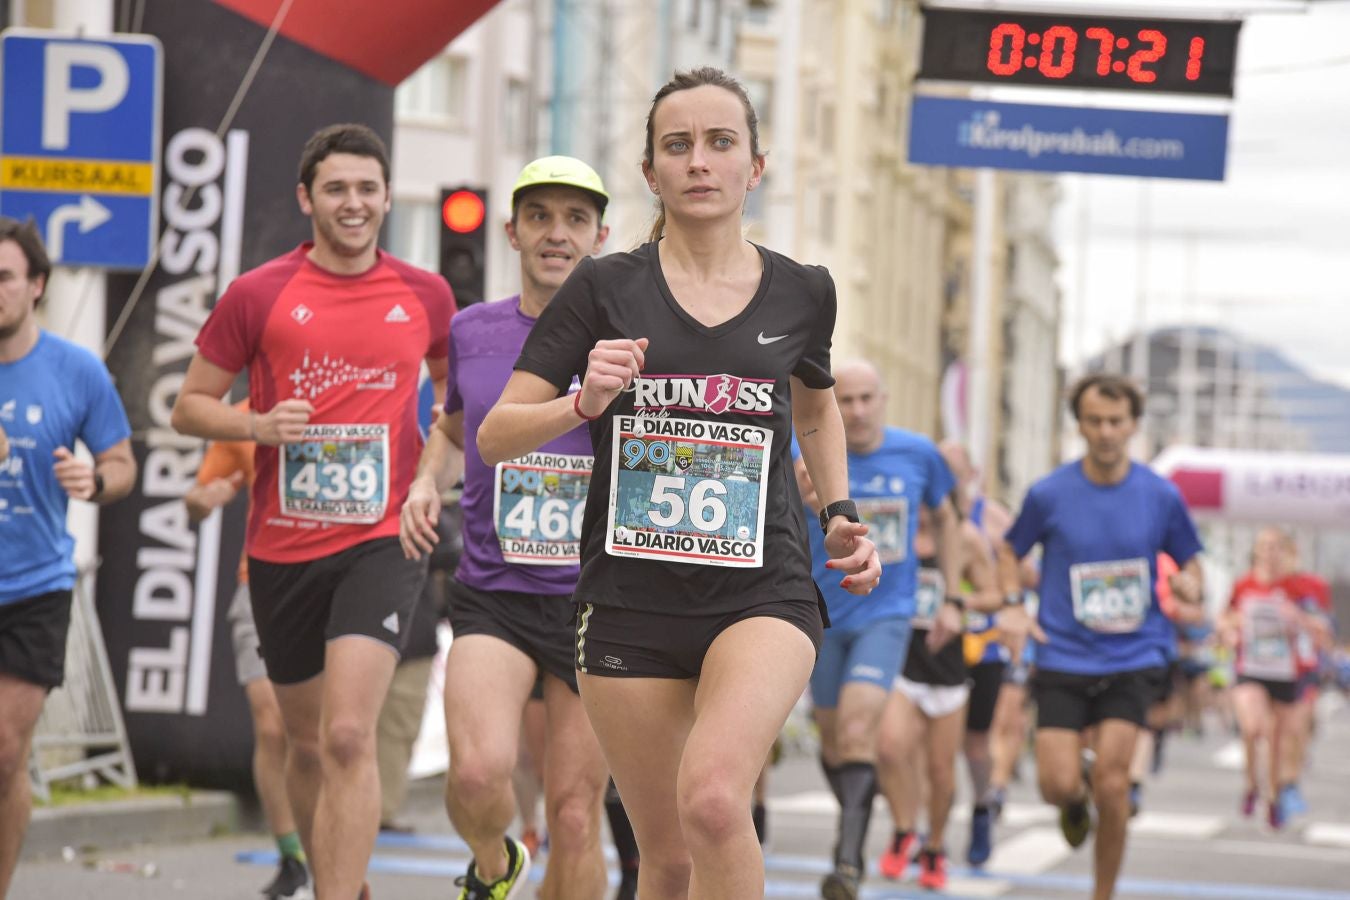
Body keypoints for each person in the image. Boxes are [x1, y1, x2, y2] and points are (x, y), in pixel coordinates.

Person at [474, 67, 882, 900]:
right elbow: (493, 437)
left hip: (761, 594)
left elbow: (815, 407)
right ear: (651, 172)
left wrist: (839, 510)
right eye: (678, 145)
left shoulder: (804, 291)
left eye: (720, 143)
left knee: (716, 802)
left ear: (754, 168)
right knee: (665, 858)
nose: (699, 161)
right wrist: (580, 403)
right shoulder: (604, 287)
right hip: (628, 602)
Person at [172, 123, 454, 900]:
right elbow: (187, 408)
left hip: (383, 539)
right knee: (302, 743)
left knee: (346, 733)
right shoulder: (258, 293)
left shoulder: (425, 294)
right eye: (336, 188)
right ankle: (341, 881)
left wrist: (430, 478)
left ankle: (338, 892)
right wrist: (254, 425)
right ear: (307, 199)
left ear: (389, 197)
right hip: (281, 548)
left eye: (368, 188)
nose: (353, 203)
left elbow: (454, 410)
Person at [399, 156, 614, 900]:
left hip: (597, 602)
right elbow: (457, 431)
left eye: (575, 219)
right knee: (477, 773)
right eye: (540, 217)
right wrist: (427, 482)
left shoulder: (627, 342)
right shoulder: (473, 330)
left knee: (576, 814)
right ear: (512, 231)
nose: (557, 233)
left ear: (601, 235)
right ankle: (494, 867)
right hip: (495, 587)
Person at [997, 373, 1202, 900]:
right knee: (1055, 784)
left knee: (1114, 782)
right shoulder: (1049, 493)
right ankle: (1072, 796)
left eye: (1116, 421)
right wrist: (1014, 607)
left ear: (1133, 425)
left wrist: (1189, 582)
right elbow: (1007, 551)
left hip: (1133, 653)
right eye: (1095, 421)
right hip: (1064, 652)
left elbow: (1192, 564)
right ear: (1081, 426)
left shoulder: (1160, 496)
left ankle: (1102, 893)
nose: (1107, 432)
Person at [0, 217, 136, 896]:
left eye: (3, 277)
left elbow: (121, 462)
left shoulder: (74, 369)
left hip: (33, 585)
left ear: (36, 286)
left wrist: (96, 480)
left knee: (3, 753)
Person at [795, 359, 960, 899]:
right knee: (836, 739)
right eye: (846, 401)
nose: (858, 411)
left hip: (885, 612)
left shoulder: (918, 454)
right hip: (819, 612)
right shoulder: (802, 453)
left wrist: (953, 598)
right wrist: (798, 497)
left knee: (861, 730)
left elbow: (950, 520)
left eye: (867, 398)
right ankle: (862, 820)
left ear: (884, 399)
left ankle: (847, 863)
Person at [184, 410, 310, 899]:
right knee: (271, 722)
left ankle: (334, 849)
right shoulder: (242, 418)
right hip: (257, 583)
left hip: (333, 587)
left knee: (321, 734)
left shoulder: (347, 392)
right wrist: (202, 499)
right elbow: (198, 497)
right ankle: (292, 857)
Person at [875, 503, 1003, 890]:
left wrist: (957, 602)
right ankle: (903, 830)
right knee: (889, 748)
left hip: (948, 667)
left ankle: (934, 847)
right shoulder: (894, 527)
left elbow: (992, 594)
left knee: (940, 769)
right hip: (903, 660)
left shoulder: (964, 538)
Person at [1221, 527, 1309, 829]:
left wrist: (1298, 618)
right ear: (1256, 551)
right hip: (1251, 667)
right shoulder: (1243, 584)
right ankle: (1250, 784)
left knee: (1276, 739)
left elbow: (1319, 626)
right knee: (1252, 728)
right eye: (1264, 546)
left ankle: (1272, 796)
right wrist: (1232, 627)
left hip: (1283, 671)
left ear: (1283, 552)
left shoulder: (1295, 587)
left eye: (1275, 547)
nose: (1269, 552)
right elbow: (1224, 619)